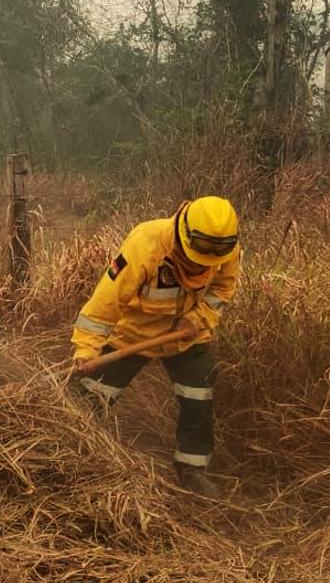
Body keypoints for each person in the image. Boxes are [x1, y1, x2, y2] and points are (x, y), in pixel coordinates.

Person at [71, 196, 241, 498]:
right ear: (185, 234)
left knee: (198, 395)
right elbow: (103, 305)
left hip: (186, 335)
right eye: (199, 254)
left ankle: (192, 472)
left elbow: (221, 290)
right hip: (133, 334)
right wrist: (87, 350)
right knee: (91, 396)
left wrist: (198, 319)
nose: (204, 262)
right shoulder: (145, 244)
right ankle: (75, 459)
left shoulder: (224, 249)